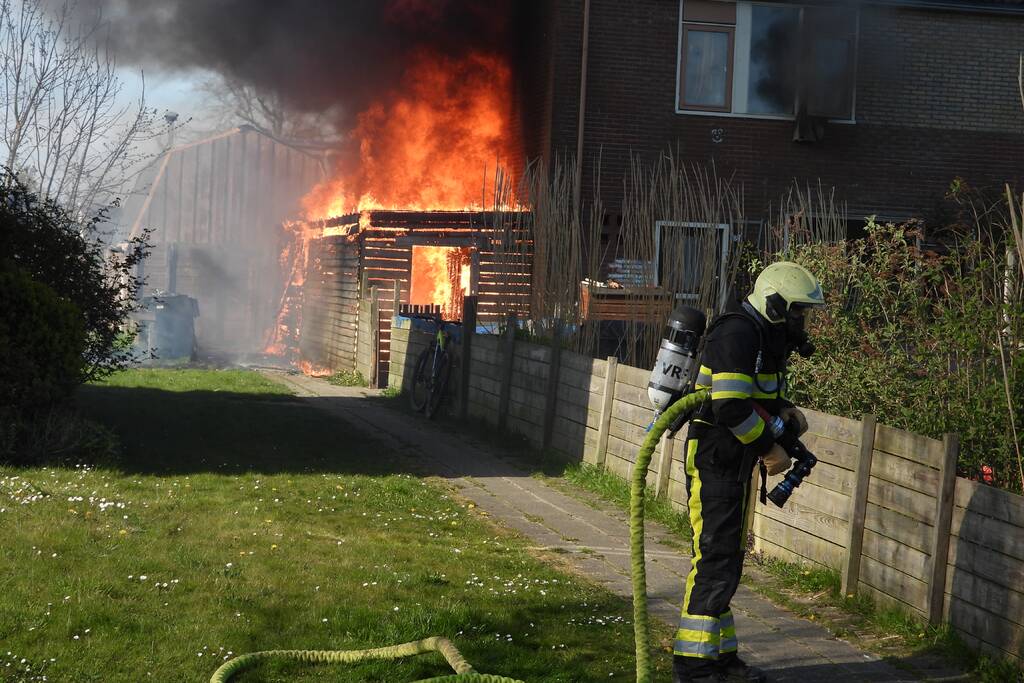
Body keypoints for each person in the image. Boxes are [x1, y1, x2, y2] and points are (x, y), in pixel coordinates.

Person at [673, 261, 824, 683]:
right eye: (797, 311)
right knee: (715, 559)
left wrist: (784, 412)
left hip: (734, 463)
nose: (800, 320)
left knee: (729, 560)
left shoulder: (763, 335)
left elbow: (755, 395)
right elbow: (729, 406)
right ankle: (694, 668)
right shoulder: (738, 333)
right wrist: (769, 447)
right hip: (715, 460)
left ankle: (720, 659)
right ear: (776, 301)